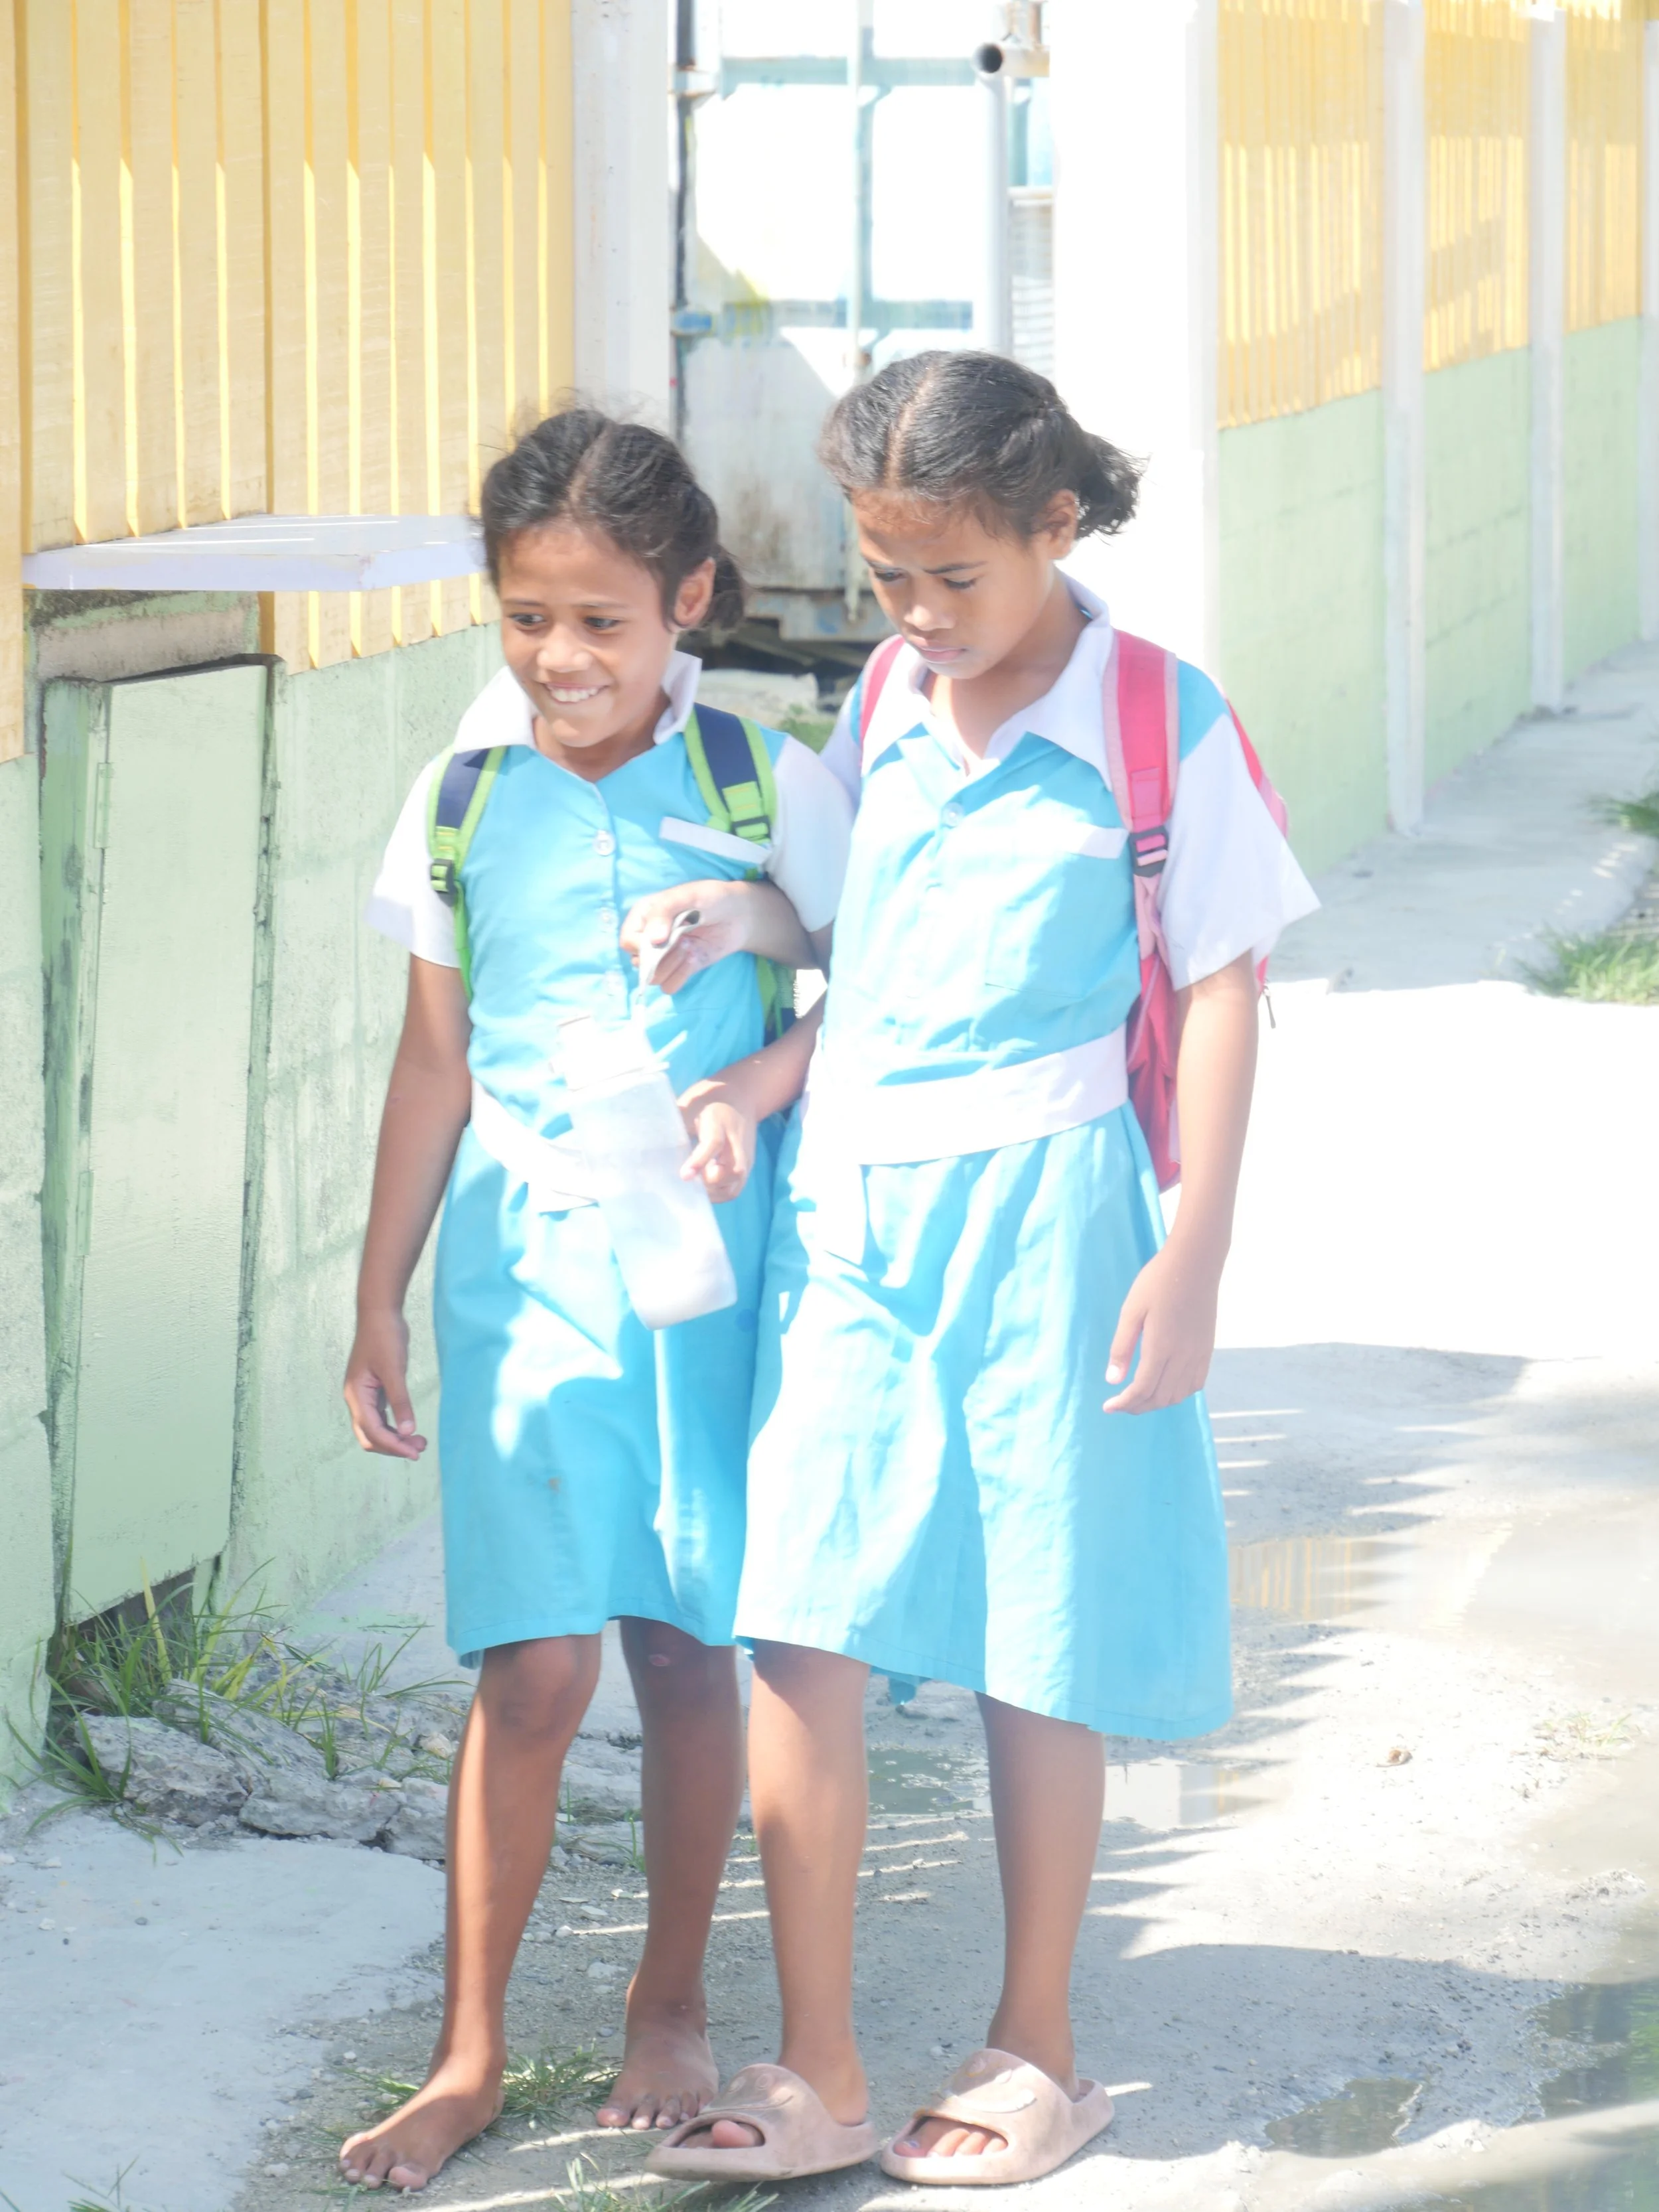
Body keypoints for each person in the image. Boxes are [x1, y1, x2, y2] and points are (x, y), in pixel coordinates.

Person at [648, 352, 1318, 2187]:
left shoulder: (1156, 718)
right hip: (850, 1216)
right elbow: (865, 934)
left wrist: (1193, 1250)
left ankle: (1038, 2043)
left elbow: (1226, 984)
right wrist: (749, 923)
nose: (921, 616)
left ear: (1054, 525)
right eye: (885, 577)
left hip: (1050, 1218)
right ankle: (818, 2066)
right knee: (802, 1616)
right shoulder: (882, 695)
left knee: (1041, 1629)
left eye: (955, 576)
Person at [338, 406, 852, 2191]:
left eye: (600, 621)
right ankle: (468, 2050)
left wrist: (751, 1087)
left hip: (708, 1282)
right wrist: (377, 1293)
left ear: (686, 597)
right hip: (522, 1275)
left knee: (685, 1643)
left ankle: (668, 1997)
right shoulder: (462, 798)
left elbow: (867, 997)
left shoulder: (759, 779)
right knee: (534, 1663)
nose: (561, 658)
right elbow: (431, 1066)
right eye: (526, 616)